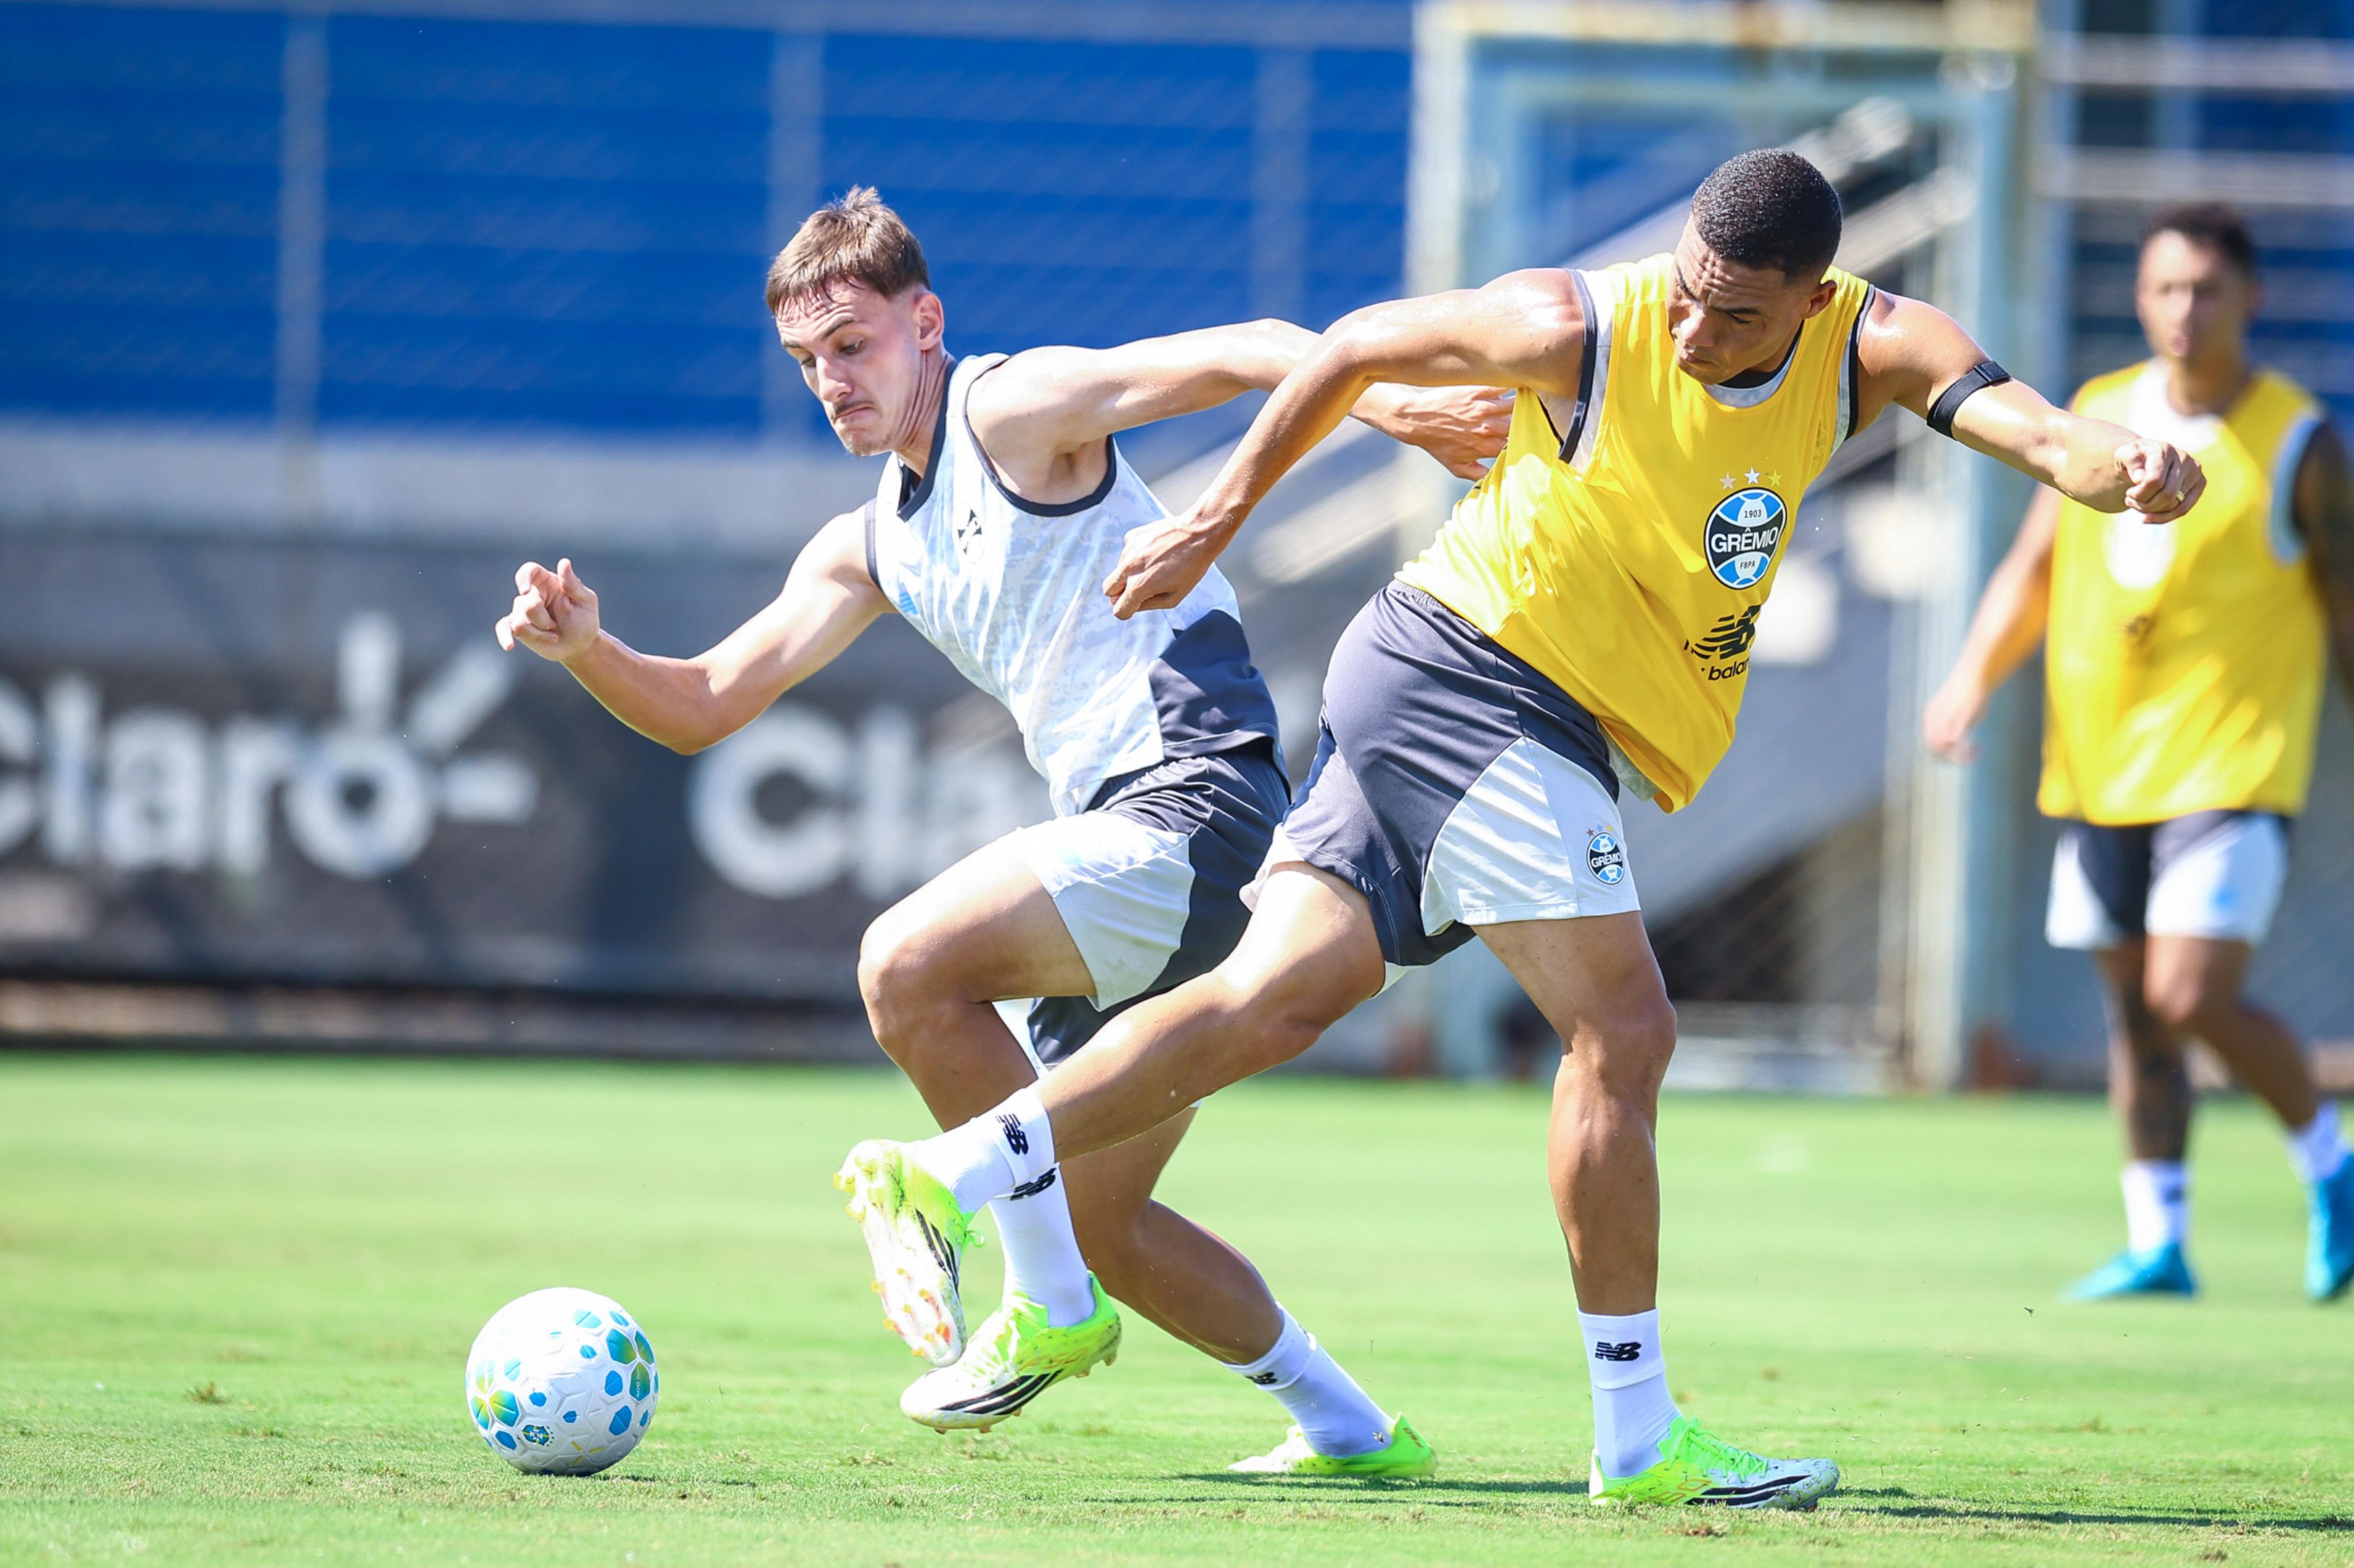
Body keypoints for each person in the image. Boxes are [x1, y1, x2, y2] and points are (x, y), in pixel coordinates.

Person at [836, 149, 2207, 1509]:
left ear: (1812, 299)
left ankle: (954, 1170)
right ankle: (1638, 1438)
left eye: (1733, 314)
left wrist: (2126, 468)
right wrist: (1215, 517)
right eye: (1687, 290)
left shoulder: (1879, 347)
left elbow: (2034, 428)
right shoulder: (1579, 324)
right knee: (1627, 1030)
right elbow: (1358, 343)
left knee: (1267, 1002)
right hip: (1486, 681)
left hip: (1451, 684)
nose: (1692, 328)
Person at [496, 188, 1510, 1470]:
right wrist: (588, 649)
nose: (831, 381)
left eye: (853, 345)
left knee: (905, 965)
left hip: (1196, 805)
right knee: (1098, 1218)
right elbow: (703, 704)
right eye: (808, 362)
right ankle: (1353, 1429)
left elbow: (1248, 344)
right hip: (1133, 845)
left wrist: (1398, 408)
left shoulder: (1008, 409)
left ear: (926, 324)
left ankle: (1044, 1310)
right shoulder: (865, 545)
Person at [1925, 202, 2354, 1304]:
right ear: (2140, 298)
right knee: (2133, 1009)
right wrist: (1971, 679)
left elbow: (2345, 608)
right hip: (2101, 765)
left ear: (2251, 299)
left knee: (2190, 991)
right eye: (2166, 287)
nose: (2185, 308)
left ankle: (2330, 1160)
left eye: (2208, 288)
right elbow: (2034, 567)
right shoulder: (2100, 415)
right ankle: (2158, 1239)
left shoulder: (2301, 440)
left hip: (2234, 764)